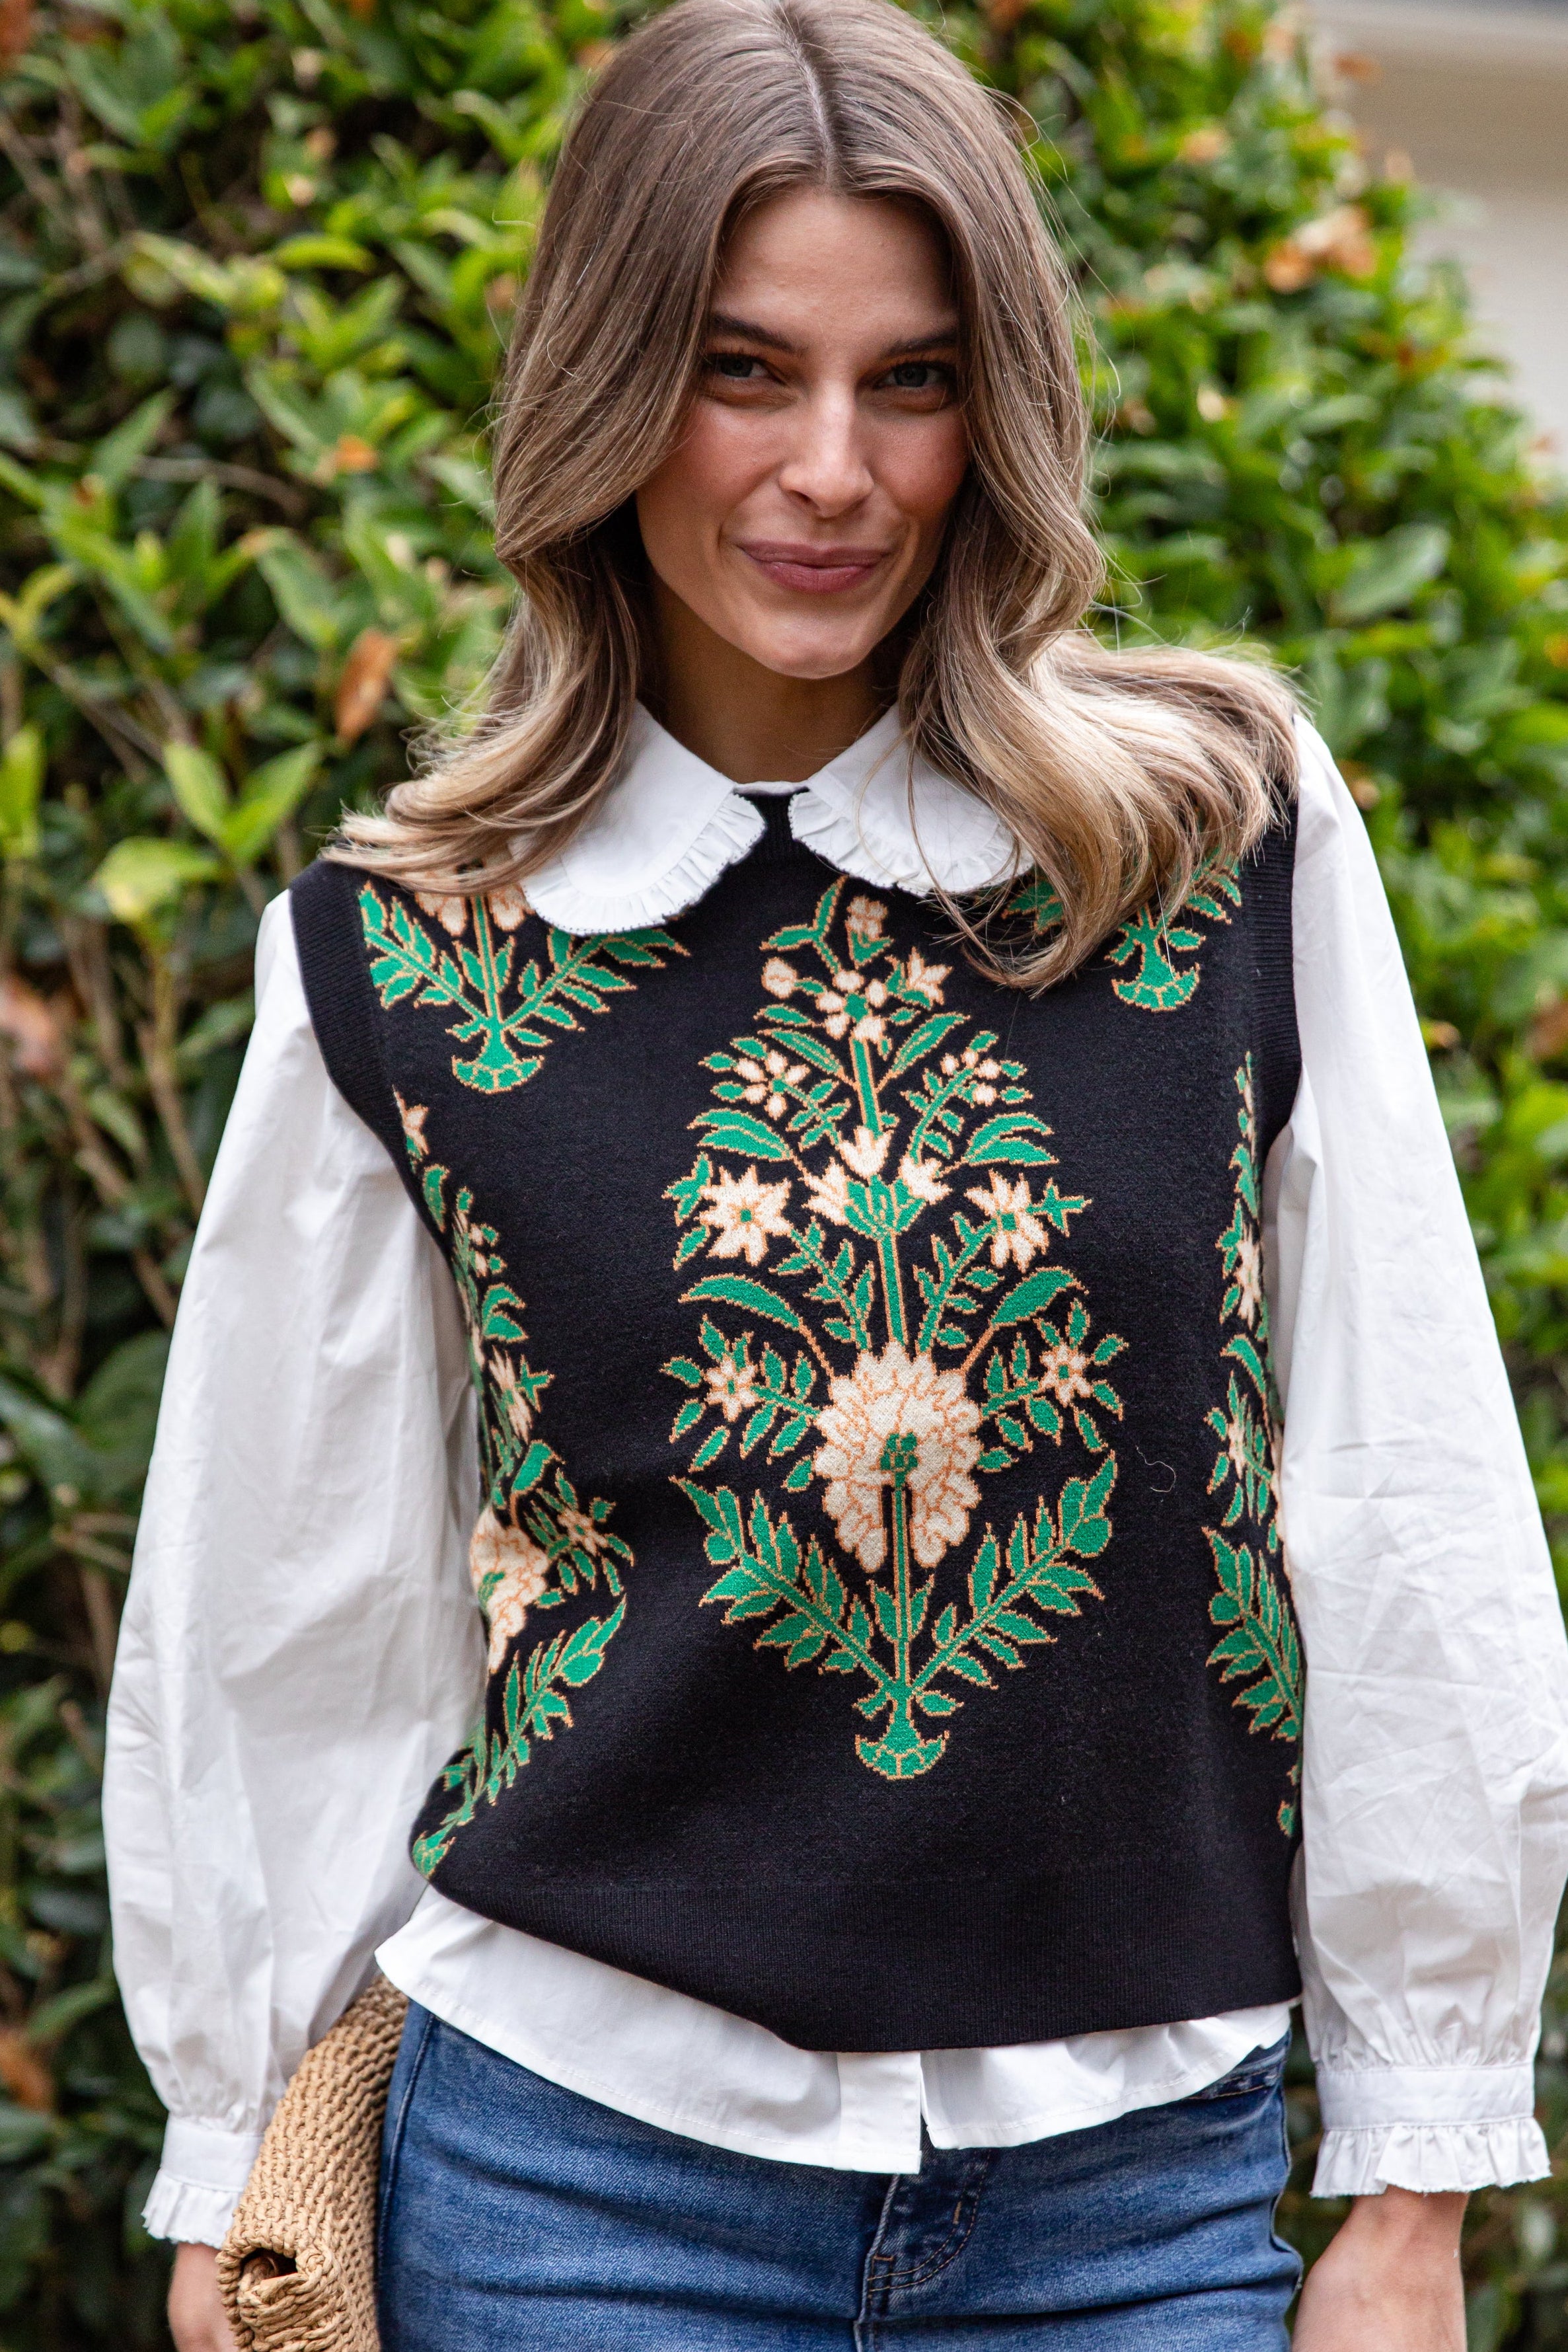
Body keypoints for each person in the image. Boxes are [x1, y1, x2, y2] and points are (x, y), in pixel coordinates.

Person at [104, 2, 1568, 2346]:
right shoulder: (402, 952)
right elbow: (286, 1620)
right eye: (743, 370)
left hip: (1141, 2210)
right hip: (573, 2197)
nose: (833, 470)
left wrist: (1416, 2177)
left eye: (911, 379)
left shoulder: (1221, 845)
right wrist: (232, 2175)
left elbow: (1402, 1502)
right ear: (605, 393)